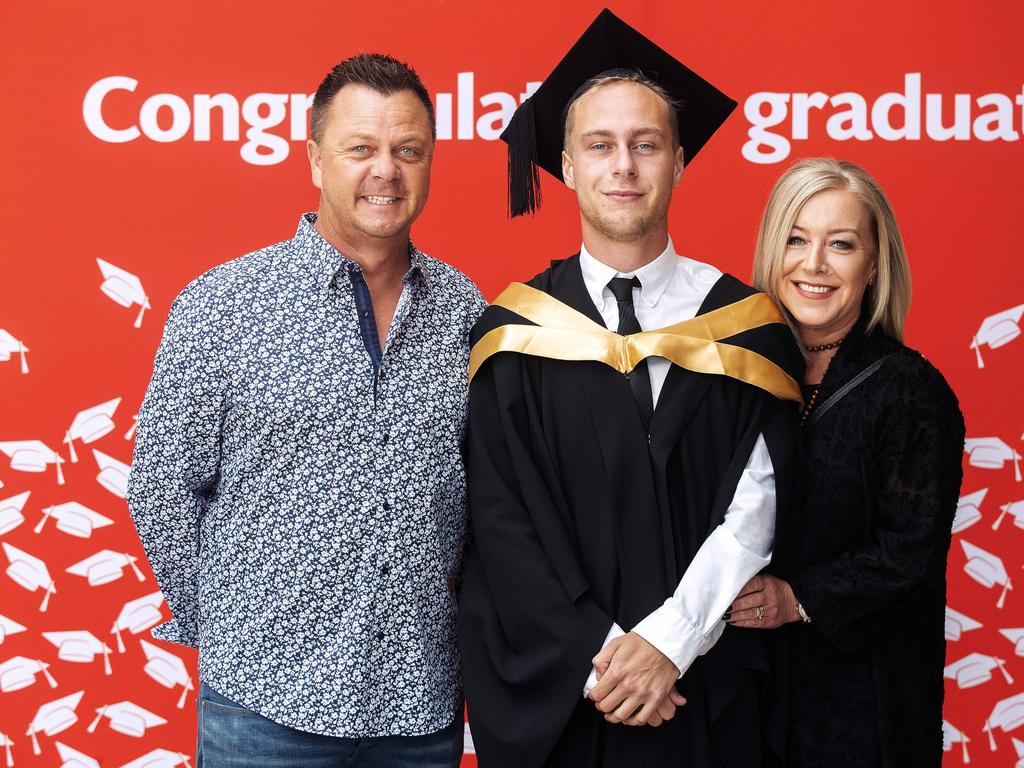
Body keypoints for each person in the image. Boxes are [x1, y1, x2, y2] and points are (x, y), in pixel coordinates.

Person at [458, 10, 804, 768]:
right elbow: (503, 523)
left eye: (646, 145)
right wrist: (609, 657)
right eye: (601, 146)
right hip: (571, 697)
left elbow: (759, 507)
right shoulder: (517, 332)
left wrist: (670, 643)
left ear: (679, 161)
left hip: (706, 688)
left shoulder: (743, 326)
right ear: (567, 164)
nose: (624, 167)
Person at [127, 53, 485, 767]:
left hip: (420, 708)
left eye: (407, 150)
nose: (386, 169)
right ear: (316, 159)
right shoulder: (224, 305)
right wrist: (229, 627)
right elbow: (162, 486)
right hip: (263, 708)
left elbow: (490, 498)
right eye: (361, 148)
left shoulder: (467, 312)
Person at [728, 157, 965, 766]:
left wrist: (794, 597)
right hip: (749, 697)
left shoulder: (908, 389)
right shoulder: (736, 378)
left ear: (874, 263)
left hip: (863, 706)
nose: (813, 264)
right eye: (796, 239)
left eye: (840, 244)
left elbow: (909, 549)